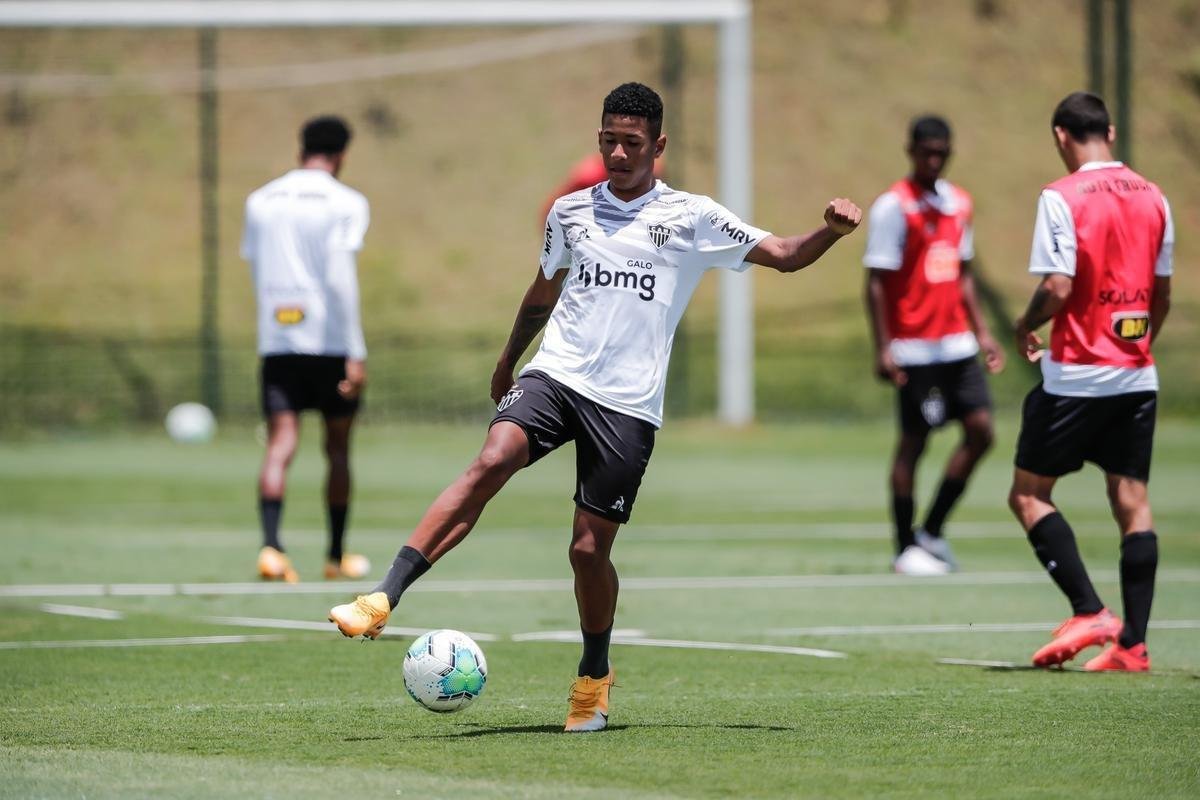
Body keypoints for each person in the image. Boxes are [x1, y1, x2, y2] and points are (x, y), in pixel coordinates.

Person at [329, 82, 862, 731]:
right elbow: (541, 291)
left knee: (587, 551)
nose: (616, 153)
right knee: (490, 460)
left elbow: (783, 254)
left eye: (631, 143)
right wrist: (507, 359)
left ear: (658, 146)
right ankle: (385, 595)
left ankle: (593, 677)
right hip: (555, 374)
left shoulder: (692, 216)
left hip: (628, 405)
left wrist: (830, 232)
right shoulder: (570, 212)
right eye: (608, 140)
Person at [1009, 91, 1174, 671]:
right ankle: (1134, 645)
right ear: (1112, 131)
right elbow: (1161, 294)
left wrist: (1025, 323)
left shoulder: (1062, 196)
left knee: (1029, 494)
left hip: (1078, 374)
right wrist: (1135, 343)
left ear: (1060, 136)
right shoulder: (1155, 196)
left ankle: (1090, 610)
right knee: (1133, 501)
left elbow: (1058, 285)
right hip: (1136, 373)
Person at [862, 115, 1004, 576]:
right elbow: (877, 282)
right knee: (914, 443)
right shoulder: (893, 206)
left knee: (982, 431)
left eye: (942, 152)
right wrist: (883, 346)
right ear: (912, 151)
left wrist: (983, 333)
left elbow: (962, 274)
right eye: (927, 152)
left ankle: (931, 533)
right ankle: (904, 547)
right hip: (914, 348)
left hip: (957, 344)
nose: (934, 160)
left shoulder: (959, 203)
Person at [241, 115, 372, 584]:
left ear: (301, 151)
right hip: (330, 342)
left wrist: (273, 327)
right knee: (337, 448)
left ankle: (271, 549)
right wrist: (355, 350)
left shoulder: (260, 200)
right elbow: (340, 277)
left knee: (281, 443)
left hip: (278, 341)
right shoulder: (347, 203)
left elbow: (256, 269)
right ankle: (335, 557)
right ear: (340, 156)